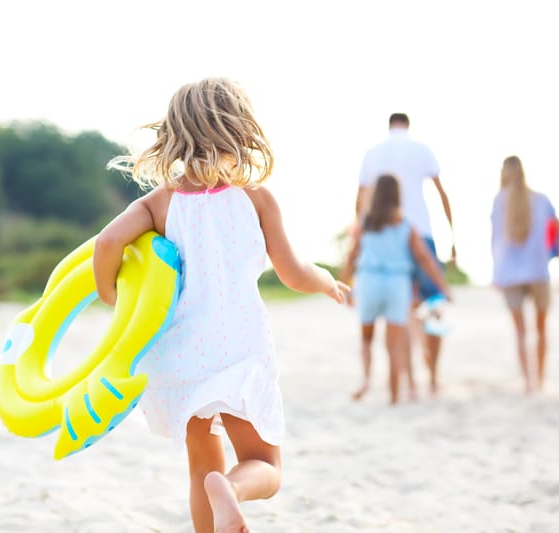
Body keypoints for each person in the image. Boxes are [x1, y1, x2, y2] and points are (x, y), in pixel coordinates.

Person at [93, 78, 351, 533]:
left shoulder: (159, 203)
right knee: (262, 463)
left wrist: (114, 298)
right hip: (238, 350)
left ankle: (215, 503)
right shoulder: (256, 199)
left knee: (201, 468)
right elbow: (292, 272)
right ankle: (233, 491)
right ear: (239, 130)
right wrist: (327, 281)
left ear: (172, 133)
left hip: (179, 358)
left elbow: (109, 241)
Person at [356, 113, 456, 396]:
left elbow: (359, 197)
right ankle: (433, 377)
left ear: (389, 125)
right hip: (421, 231)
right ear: (407, 125)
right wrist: (452, 238)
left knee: (401, 314)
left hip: (381, 232)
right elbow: (441, 193)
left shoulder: (372, 153)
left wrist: (363, 236)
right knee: (434, 305)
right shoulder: (421, 148)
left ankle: (410, 382)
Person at [341, 174, 451, 404]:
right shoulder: (405, 224)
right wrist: (443, 286)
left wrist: (345, 286)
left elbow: (351, 256)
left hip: (369, 281)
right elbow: (425, 258)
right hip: (397, 283)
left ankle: (366, 379)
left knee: (367, 338)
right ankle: (393, 395)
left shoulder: (365, 222)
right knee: (394, 344)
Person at [491, 156, 559, 394]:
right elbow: (554, 232)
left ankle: (527, 382)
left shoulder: (499, 201)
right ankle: (539, 378)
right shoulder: (541, 200)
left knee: (520, 331)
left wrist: (496, 273)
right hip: (538, 269)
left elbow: (495, 240)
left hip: (509, 273)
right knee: (540, 329)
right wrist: (552, 255)